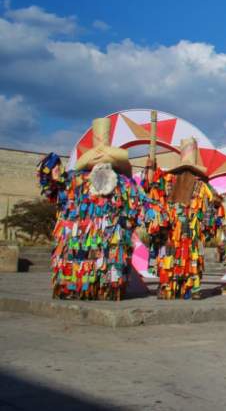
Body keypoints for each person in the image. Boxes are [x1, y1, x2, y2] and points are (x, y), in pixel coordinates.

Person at [37, 117, 156, 300]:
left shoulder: (122, 184)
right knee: (82, 265)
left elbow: (145, 207)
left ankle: (98, 289)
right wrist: (50, 164)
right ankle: (79, 288)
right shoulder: (74, 181)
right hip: (78, 246)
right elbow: (50, 186)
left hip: (109, 249)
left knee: (108, 270)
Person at [145, 137, 224, 300]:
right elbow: (154, 195)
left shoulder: (202, 186)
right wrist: (150, 173)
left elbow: (213, 206)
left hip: (189, 233)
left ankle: (187, 287)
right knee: (174, 256)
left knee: (190, 257)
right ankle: (171, 286)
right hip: (172, 232)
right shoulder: (169, 181)